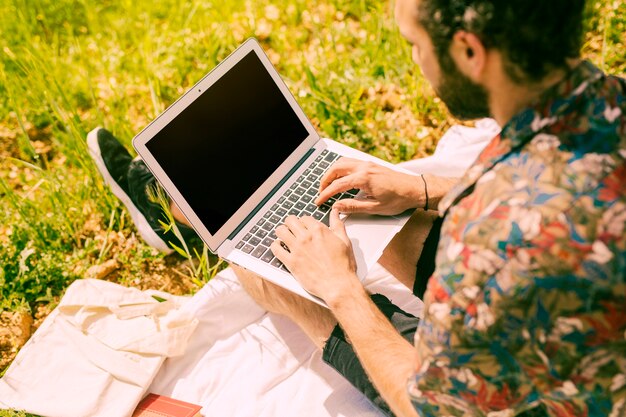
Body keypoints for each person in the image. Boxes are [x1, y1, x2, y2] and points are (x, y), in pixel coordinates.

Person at [88, 0, 626, 415]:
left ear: (469, 51)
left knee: (276, 283)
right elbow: (539, 176)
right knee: (384, 220)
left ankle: (175, 213)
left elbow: (428, 405)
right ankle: (183, 208)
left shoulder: (491, 246)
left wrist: (340, 291)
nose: (417, 60)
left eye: (415, 43)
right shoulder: (611, 101)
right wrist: (421, 189)